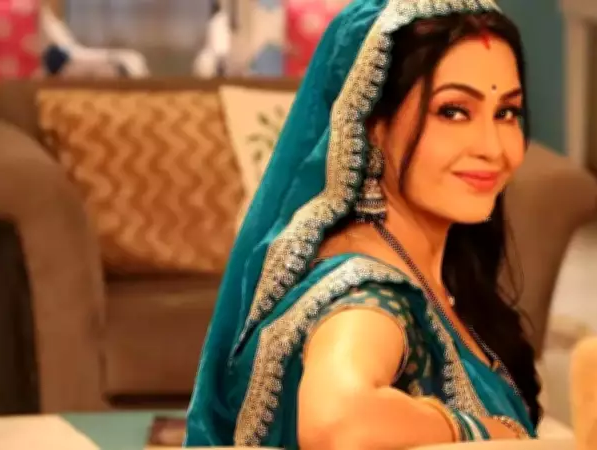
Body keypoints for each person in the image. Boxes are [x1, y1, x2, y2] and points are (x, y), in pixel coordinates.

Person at [185, 0, 542, 447]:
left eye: (506, 113)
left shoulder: (430, 271)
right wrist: (484, 431)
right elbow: (336, 421)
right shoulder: (368, 295)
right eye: (453, 111)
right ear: (372, 124)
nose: (492, 147)